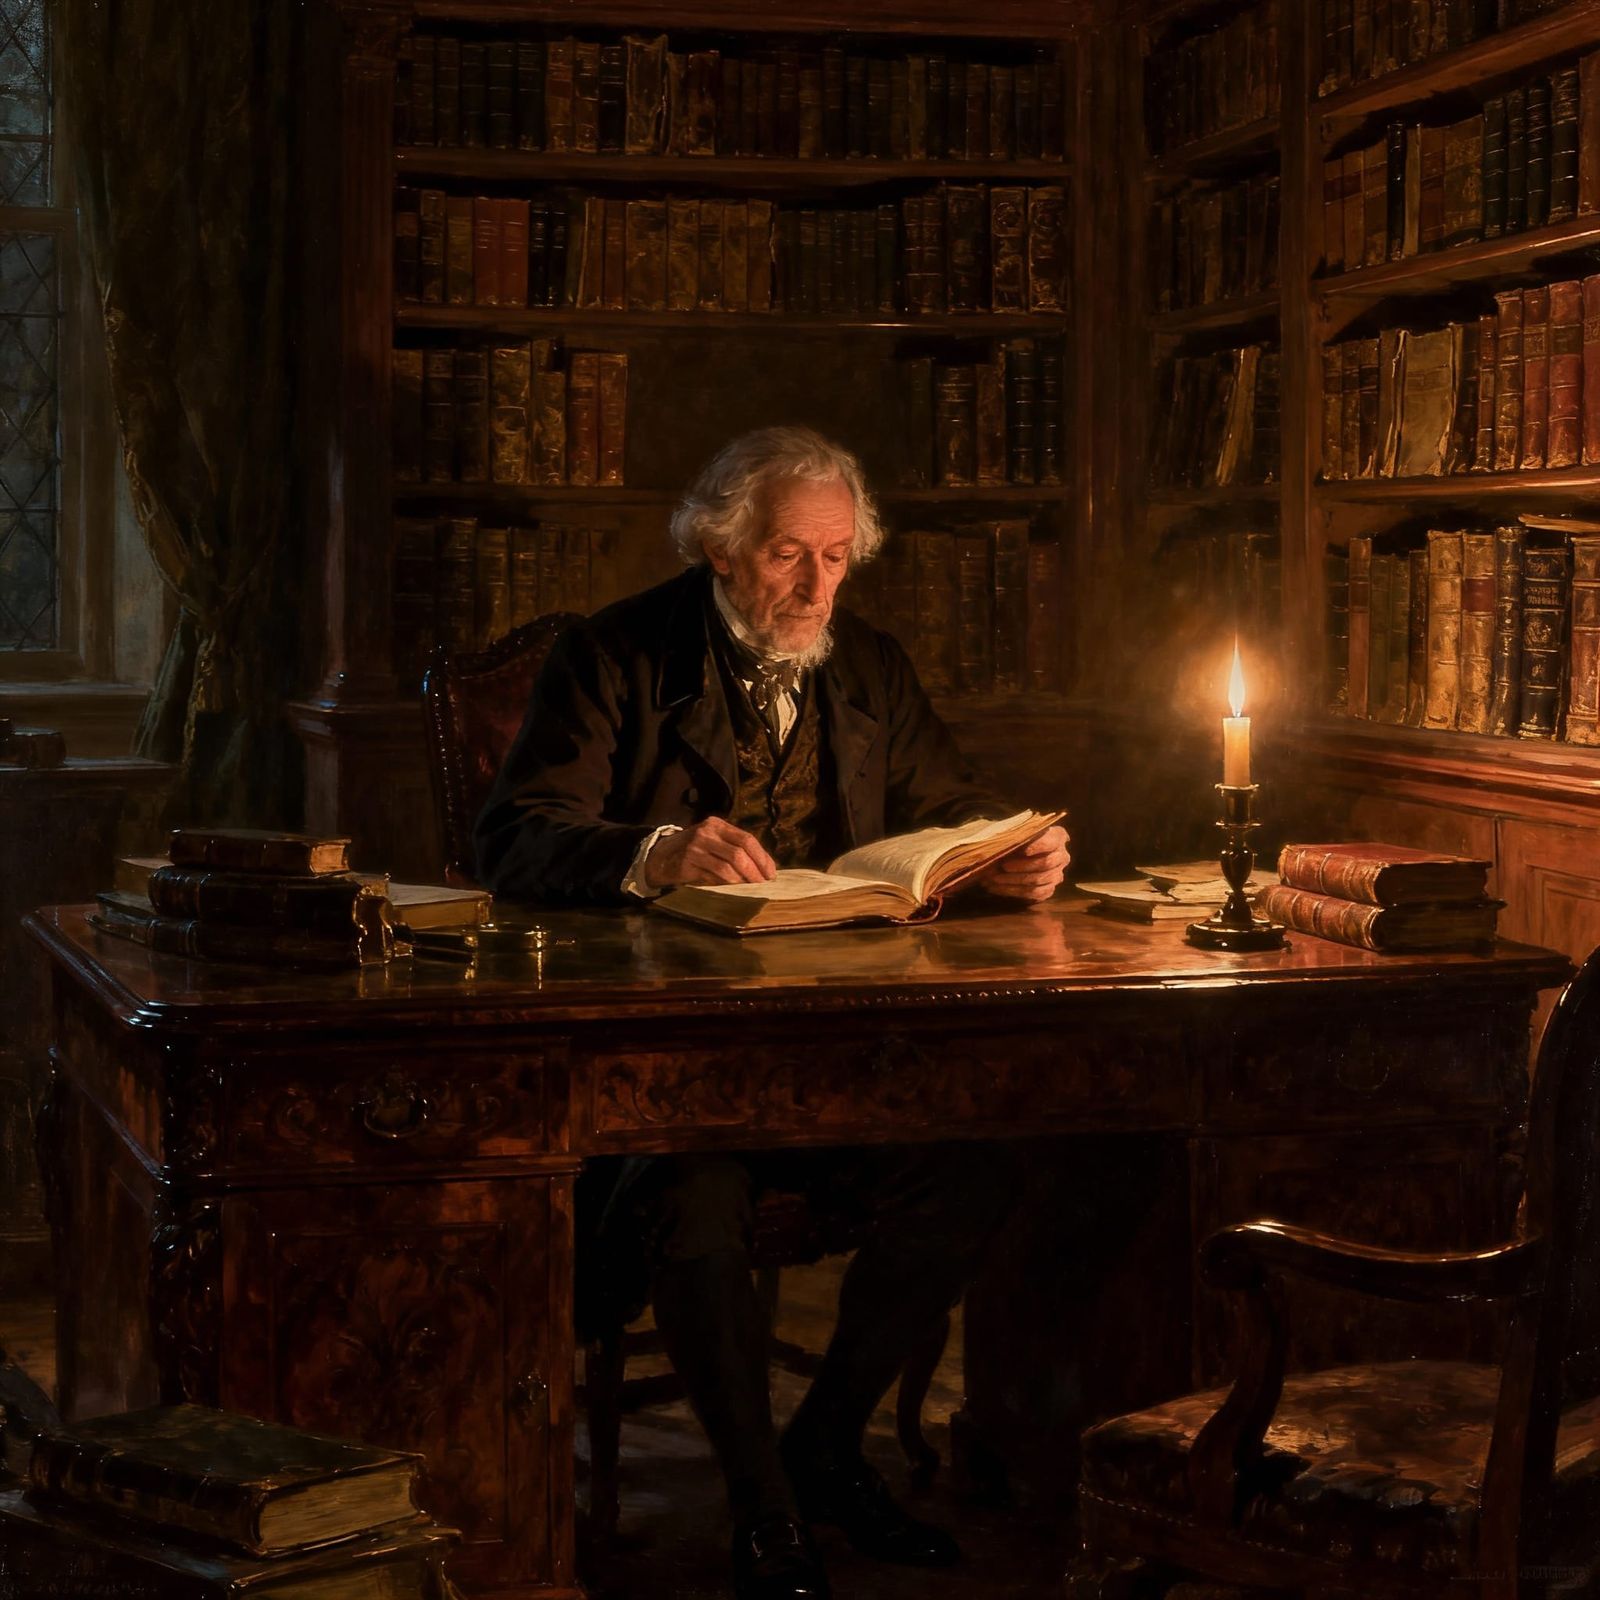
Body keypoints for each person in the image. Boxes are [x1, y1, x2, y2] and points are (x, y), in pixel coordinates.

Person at [476, 426, 1071, 1600]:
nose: (813, 586)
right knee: (693, 1205)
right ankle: (764, 1508)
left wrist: (1000, 853)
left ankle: (825, 1445)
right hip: (662, 1074)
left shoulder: (870, 670)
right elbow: (511, 836)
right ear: (721, 546)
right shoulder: (614, 655)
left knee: (975, 1170)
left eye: (837, 558)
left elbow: (943, 803)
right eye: (788, 555)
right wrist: (656, 850)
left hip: (835, 1054)